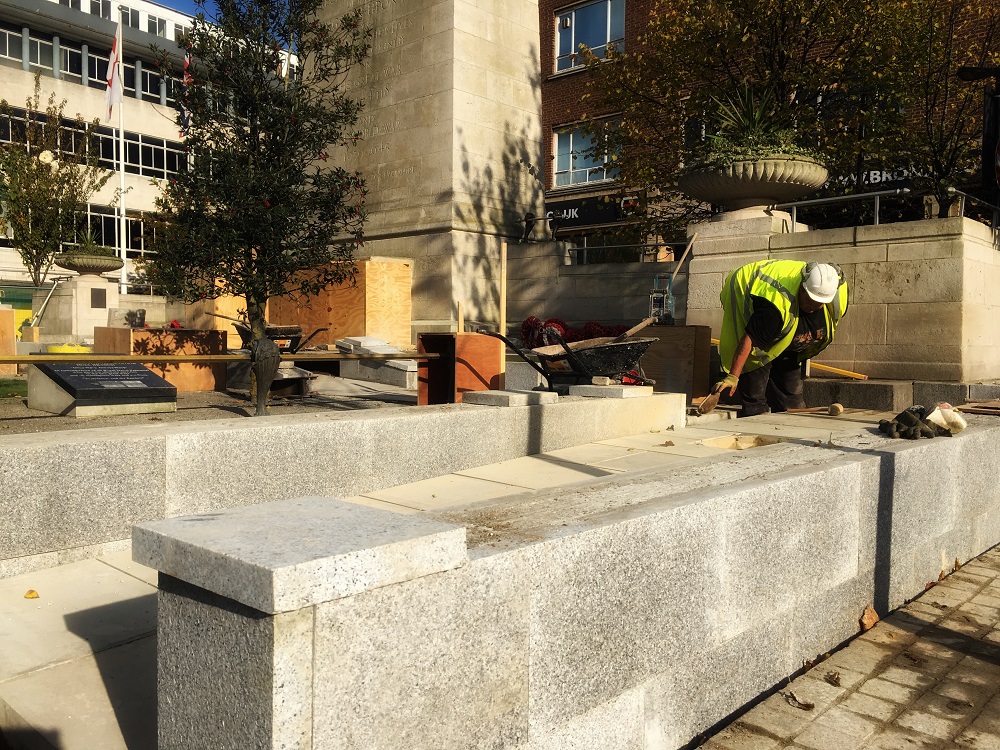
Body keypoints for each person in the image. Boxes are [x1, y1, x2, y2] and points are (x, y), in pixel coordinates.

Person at [713, 259, 849, 416]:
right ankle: (755, 409)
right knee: (757, 360)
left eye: (818, 304)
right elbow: (750, 339)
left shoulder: (835, 294)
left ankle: (787, 405)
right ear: (802, 288)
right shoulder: (775, 306)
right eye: (810, 301)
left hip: (785, 322)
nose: (813, 306)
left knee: (791, 396)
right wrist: (732, 377)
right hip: (743, 286)